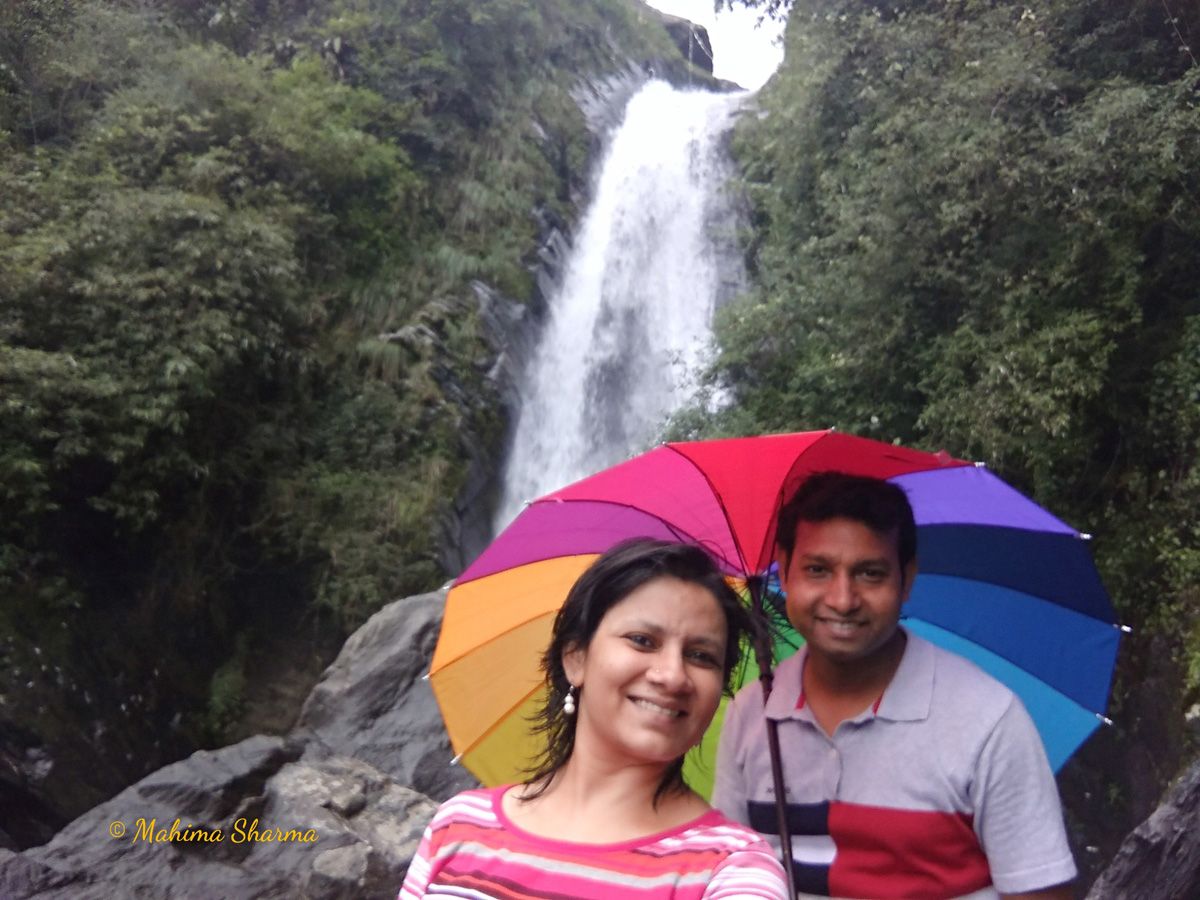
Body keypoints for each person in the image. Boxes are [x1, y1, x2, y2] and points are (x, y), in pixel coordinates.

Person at [713, 472, 1078, 900]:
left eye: (870, 574)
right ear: (786, 570)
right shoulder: (753, 713)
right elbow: (730, 874)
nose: (843, 599)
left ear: (907, 579)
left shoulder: (988, 720)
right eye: (818, 570)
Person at [399, 538, 789, 899]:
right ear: (576, 658)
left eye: (701, 656)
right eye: (642, 641)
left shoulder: (733, 871)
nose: (672, 675)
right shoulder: (459, 826)